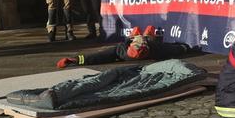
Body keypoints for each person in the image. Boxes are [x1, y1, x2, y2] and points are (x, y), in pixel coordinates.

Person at [56, 26, 195, 68]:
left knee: (140, 30)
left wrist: (74, 59)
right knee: (150, 30)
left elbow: (98, 56)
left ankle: (138, 35)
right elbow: (172, 49)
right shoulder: (154, 48)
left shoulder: (121, 50)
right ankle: (144, 34)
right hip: (144, 44)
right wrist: (185, 47)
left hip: (135, 44)